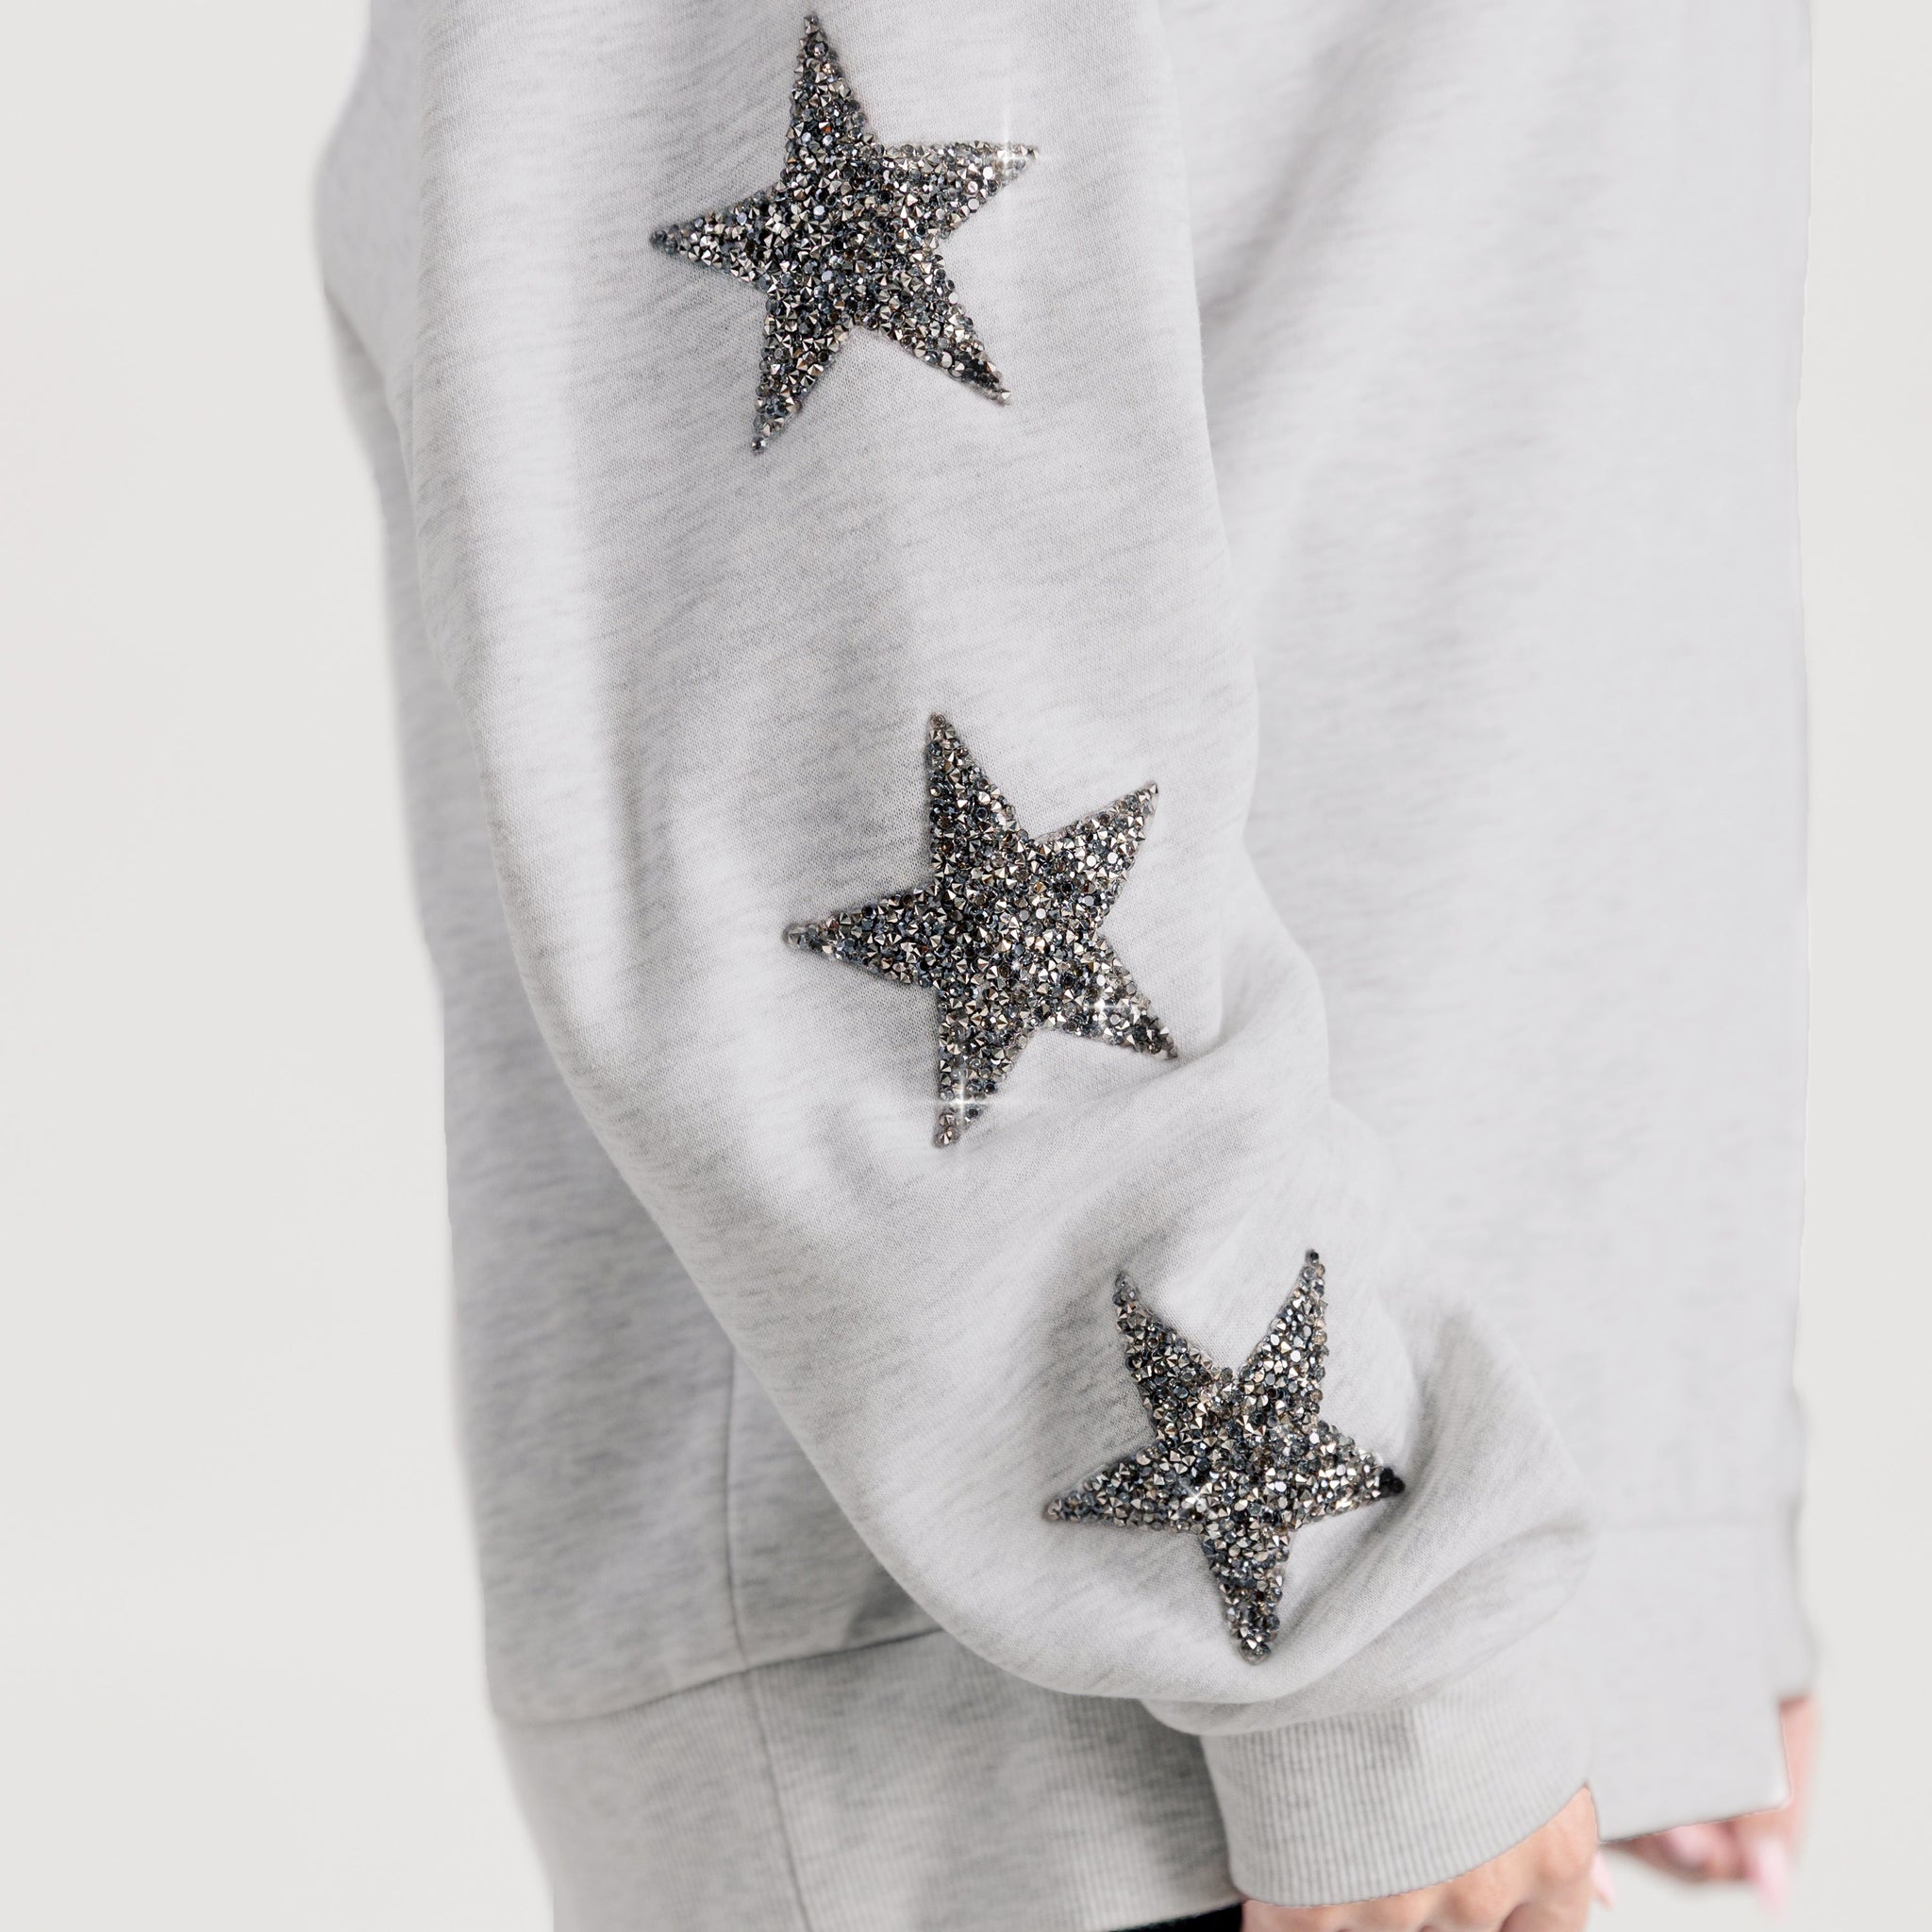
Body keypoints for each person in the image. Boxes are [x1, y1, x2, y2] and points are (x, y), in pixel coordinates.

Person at [317, 3, 1815, 1926]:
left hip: (1424, 1638)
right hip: (1090, 1696)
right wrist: (1363, 1627)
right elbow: (824, 623)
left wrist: (1674, 1526)